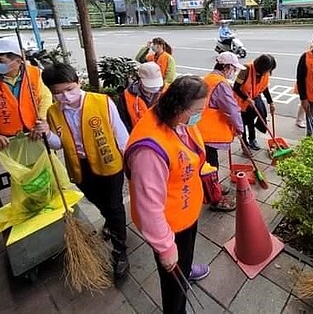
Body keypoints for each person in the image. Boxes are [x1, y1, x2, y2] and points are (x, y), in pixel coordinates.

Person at [125, 76, 211, 314]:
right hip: (170, 225)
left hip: (184, 212)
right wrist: (165, 248)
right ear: (178, 107)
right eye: (197, 111)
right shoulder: (149, 151)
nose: (199, 116)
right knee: (173, 283)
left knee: (182, 262)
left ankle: (185, 268)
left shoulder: (176, 120)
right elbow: (149, 206)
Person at [36, 63, 130, 279]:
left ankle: (120, 250)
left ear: (78, 82)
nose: (66, 97)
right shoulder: (52, 112)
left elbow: (121, 135)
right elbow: (58, 144)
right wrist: (47, 133)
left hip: (109, 164)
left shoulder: (102, 102)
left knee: (115, 206)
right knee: (97, 202)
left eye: (69, 89)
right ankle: (109, 220)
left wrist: (131, 162)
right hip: (79, 167)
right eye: (57, 93)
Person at [0, 36, 53, 149]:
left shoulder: (35, 73)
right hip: (8, 138)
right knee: (17, 166)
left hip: (35, 132)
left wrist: (43, 122)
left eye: (1, 61)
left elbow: (45, 98)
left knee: (46, 165)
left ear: (18, 61)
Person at [197, 52, 245, 212]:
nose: (234, 72)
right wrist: (239, 128)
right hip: (209, 132)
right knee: (211, 166)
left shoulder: (208, 78)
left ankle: (213, 186)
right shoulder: (221, 84)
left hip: (199, 131)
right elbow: (232, 109)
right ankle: (215, 199)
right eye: (233, 69)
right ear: (226, 67)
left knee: (207, 163)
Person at [233, 54, 277, 151]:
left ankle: (252, 140)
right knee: (243, 123)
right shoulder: (246, 70)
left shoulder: (265, 74)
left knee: (251, 121)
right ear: (261, 67)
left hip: (254, 99)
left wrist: (271, 102)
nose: (269, 72)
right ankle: (244, 145)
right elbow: (235, 87)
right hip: (241, 101)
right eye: (268, 70)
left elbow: (264, 87)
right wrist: (246, 98)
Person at [116, 62, 164, 132]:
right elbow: (123, 121)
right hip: (137, 137)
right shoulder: (126, 96)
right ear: (140, 80)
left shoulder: (167, 91)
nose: (154, 89)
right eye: (150, 84)